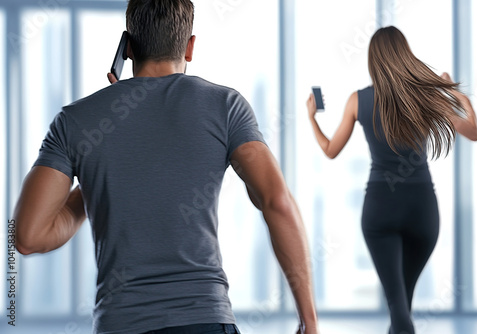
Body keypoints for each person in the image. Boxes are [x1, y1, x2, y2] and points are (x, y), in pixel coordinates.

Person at [13, 1, 318, 333]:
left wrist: (96, 174)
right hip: (204, 320)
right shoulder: (226, 106)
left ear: (127, 47)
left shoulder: (75, 121)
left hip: (120, 324)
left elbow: (28, 237)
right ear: (189, 48)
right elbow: (278, 202)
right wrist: (309, 321)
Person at [307, 26, 477, 334]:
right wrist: (452, 92)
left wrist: (312, 118)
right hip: (423, 211)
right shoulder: (426, 96)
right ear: (405, 55)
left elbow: (330, 150)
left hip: (380, 210)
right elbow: (473, 131)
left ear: (374, 60)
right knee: (401, 308)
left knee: (399, 311)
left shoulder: (358, 100)